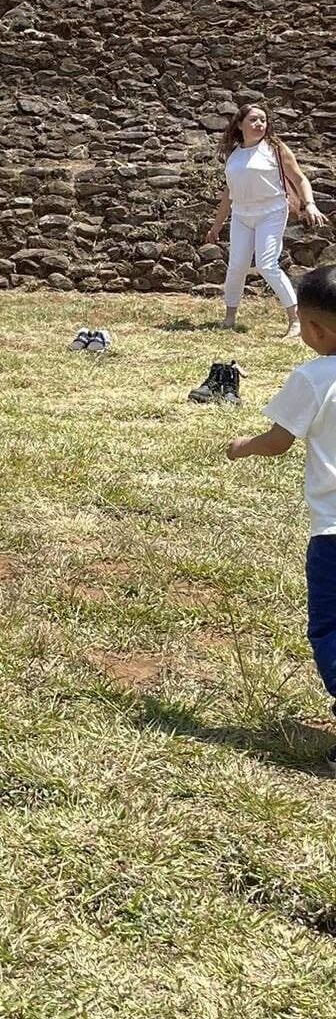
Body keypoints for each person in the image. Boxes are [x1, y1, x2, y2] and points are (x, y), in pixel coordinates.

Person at [227, 266, 336, 764]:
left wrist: (243, 446)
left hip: (333, 534)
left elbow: (278, 441)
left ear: (314, 329)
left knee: (330, 628)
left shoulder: (313, 378)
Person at [206, 103, 328, 337]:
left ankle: (295, 320)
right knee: (237, 266)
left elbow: (300, 179)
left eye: (263, 120)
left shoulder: (275, 148)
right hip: (241, 215)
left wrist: (310, 204)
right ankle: (229, 318)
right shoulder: (234, 154)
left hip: (271, 212)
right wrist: (216, 226)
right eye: (253, 120)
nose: (259, 124)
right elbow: (229, 194)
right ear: (239, 124)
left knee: (266, 264)